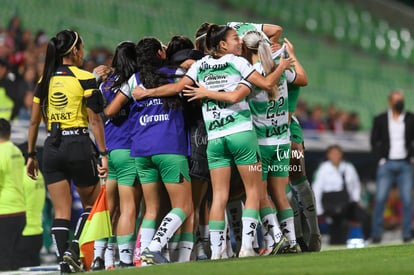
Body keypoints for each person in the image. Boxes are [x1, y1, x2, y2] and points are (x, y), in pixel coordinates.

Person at [26, 29, 108, 273]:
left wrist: (31, 155)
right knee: (91, 204)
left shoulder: (45, 79)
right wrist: (103, 153)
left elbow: (33, 122)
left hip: (51, 146)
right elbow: (95, 121)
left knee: (61, 211)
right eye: (81, 47)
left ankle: (65, 264)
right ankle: (74, 248)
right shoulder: (85, 78)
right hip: (78, 143)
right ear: (75, 50)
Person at [130, 37, 194, 265]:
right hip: (168, 147)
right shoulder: (174, 73)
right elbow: (182, 86)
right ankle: (153, 249)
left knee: (151, 208)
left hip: (141, 149)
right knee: (184, 206)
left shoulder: (134, 79)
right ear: (159, 53)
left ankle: (141, 260)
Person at [91, 41, 141, 270]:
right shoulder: (134, 82)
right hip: (128, 149)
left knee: (110, 210)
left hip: (109, 151)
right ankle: (124, 257)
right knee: (129, 208)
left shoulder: (104, 84)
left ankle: (100, 256)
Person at [370, 89, 414, 244]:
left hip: (405, 164)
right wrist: (381, 159)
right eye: (396, 100)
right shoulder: (381, 118)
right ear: (390, 101)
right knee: (381, 199)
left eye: (401, 99)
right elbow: (374, 141)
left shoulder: (410, 118)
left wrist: (411, 157)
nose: (399, 102)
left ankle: (407, 233)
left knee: (408, 200)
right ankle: (376, 233)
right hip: (386, 163)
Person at [312, 145, 366, 246]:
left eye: (337, 153)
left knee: (362, 216)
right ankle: (336, 243)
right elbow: (317, 188)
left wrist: (355, 200)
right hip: (329, 201)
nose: (335, 156)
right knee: (335, 223)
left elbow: (356, 185)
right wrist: (318, 209)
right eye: (333, 153)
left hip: (347, 201)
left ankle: (360, 240)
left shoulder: (348, 167)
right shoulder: (323, 169)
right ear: (328, 155)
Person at [0, 118, 26, 271]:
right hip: (19, 210)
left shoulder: (1, 152)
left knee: (3, 262)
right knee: (14, 261)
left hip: (3, 211)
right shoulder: (16, 150)